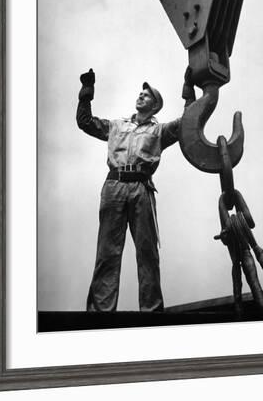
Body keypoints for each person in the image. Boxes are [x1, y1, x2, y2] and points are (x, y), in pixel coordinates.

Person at [77, 68, 195, 312]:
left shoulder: (160, 130)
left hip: (141, 188)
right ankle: (101, 313)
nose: (141, 97)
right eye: (140, 93)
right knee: (107, 251)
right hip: (114, 186)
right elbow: (85, 123)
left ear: (155, 106)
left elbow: (189, 122)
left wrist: (188, 91)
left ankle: (151, 311)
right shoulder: (117, 125)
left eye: (147, 95)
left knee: (147, 251)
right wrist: (86, 93)